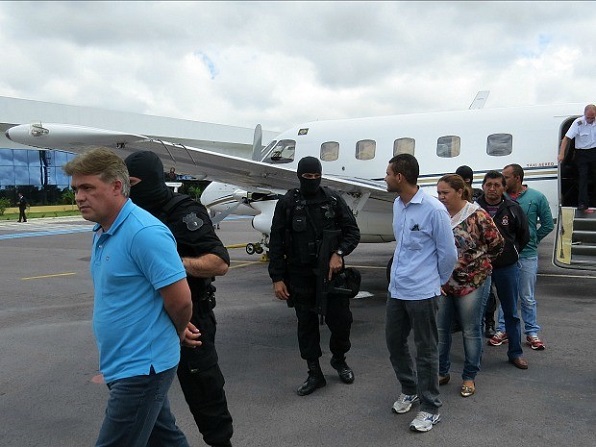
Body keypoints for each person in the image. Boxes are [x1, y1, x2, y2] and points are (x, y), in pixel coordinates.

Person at [63, 148, 192, 447]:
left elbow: (181, 300)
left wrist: (177, 329)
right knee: (165, 439)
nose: (79, 196)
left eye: (87, 188)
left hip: (142, 367)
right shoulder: (103, 230)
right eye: (76, 189)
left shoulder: (144, 233)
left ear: (117, 187)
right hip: (121, 362)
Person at [125, 151, 234, 447]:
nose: (129, 190)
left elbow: (219, 263)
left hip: (192, 316)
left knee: (204, 390)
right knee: (141, 397)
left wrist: (172, 265)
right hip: (146, 318)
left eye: (133, 183)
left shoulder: (184, 212)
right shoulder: (130, 216)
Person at [268, 156, 360, 396]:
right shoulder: (288, 203)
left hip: (331, 275)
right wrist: (277, 278)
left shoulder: (332, 199)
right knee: (306, 327)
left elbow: (352, 232)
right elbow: (276, 242)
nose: (312, 181)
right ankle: (314, 372)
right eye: (307, 177)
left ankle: (339, 359)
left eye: (315, 176)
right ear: (299, 176)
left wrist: (339, 253)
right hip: (299, 277)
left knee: (342, 323)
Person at [384, 154, 457, 433]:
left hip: (423, 293)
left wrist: (435, 282)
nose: (386, 177)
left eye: (389, 173)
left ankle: (430, 407)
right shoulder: (397, 205)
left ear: (400, 177)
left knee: (426, 350)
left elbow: (448, 254)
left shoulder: (433, 209)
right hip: (397, 290)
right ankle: (409, 389)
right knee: (394, 342)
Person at [436, 174, 503, 398]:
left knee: (470, 330)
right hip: (443, 283)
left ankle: (469, 376)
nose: (441, 197)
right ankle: (441, 372)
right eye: (439, 193)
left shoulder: (477, 215)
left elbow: (497, 244)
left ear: (459, 191)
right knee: (441, 329)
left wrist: (478, 266)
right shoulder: (439, 215)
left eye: (445, 193)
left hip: (473, 282)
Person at [476, 171, 530, 369]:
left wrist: (511, 253)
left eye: (497, 185)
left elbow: (524, 236)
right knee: (478, 313)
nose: (492, 188)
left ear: (503, 187)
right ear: (483, 186)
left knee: (510, 312)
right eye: (489, 184)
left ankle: (515, 353)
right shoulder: (474, 209)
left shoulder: (513, 209)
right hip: (480, 269)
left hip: (507, 268)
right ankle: (476, 355)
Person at [502, 163, 554, 350]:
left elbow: (548, 224)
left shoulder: (537, 197)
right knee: (506, 295)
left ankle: (532, 332)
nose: (503, 180)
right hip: (506, 256)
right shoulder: (502, 198)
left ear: (517, 178)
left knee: (527, 296)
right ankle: (503, 329)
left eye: (506, 177)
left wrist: (532, 239)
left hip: (528, 254)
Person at [558, 104, 596, 211]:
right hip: (582, 153)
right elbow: (566, 138)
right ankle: (583, 203)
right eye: (588, 117)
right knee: (582, 178)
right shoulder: (578, 123)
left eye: (592, 118)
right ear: (584, 115)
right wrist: (561, 154)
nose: (590, 120)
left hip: (594, 151)